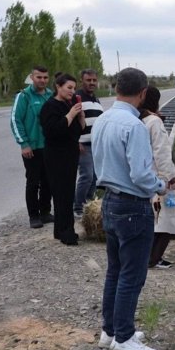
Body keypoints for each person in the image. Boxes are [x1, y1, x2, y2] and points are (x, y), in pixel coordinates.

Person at [92, 67, 167, 350]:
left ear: (116, 87)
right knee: (132, 276)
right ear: (144, 93)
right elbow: (140, 174)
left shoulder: (103, 120)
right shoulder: (134, 126)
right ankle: (123, 337)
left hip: (109, 201)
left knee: (115, 271)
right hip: (134, 206)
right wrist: (160, 185)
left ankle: (110, 331)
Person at [39, 73, 85, 245]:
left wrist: (80, 117)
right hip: (56, 155)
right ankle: (67, 232)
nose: (72, 91)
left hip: (70, 153)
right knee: (61, 194)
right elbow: (53, 130)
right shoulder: (50, 106)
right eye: (69, 88)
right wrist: (71, 114)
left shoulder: (70, 104)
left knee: (67, 192)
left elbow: (77, 131)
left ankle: (61, 229)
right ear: (58, 87)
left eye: (74, 88)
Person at [139, 87, 175, 269]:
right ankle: (154, 258)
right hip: (162, 180)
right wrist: (169, 179)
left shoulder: (139, 119)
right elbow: (162, 153)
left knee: (152, 220)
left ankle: (146, 256)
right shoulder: (154, 122)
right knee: (167, 220)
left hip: (145, 178)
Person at [11, 65, 54, 229]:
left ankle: (45, 212)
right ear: (32, 77)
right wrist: (24, 144)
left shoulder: (51, 95)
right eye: (39, 77)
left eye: (45, 77)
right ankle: (34, 216)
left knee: (48, 181)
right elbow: (16, 120)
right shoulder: (24, 96)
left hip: (49, 147)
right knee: (33, 182)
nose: (42, 80)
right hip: (32, 148)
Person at [73, 69, 105, 219]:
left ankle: (89, 204)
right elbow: (72, 121)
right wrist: (76, 141)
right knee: (86, 176)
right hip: (82, 145)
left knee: (94, 177)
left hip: (95, 145)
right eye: (88, 80)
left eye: (94, 80)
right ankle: (78, 207)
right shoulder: (76, 98)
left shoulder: (96, 100)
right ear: (82, 81)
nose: (92, 83)